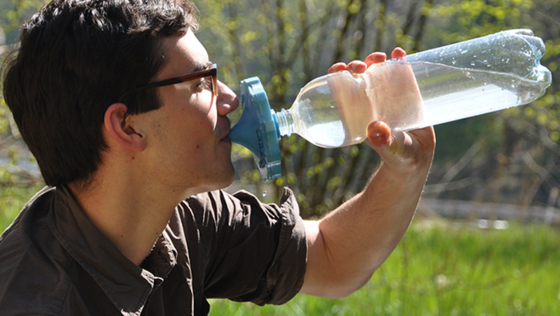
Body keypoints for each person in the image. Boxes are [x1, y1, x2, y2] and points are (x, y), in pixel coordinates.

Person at [0, 0, 435, 315]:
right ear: (128, 126)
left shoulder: (183, 215)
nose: (228, 98)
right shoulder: (34, 301)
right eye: (201, 83)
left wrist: (405, 169)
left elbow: (333, 259)